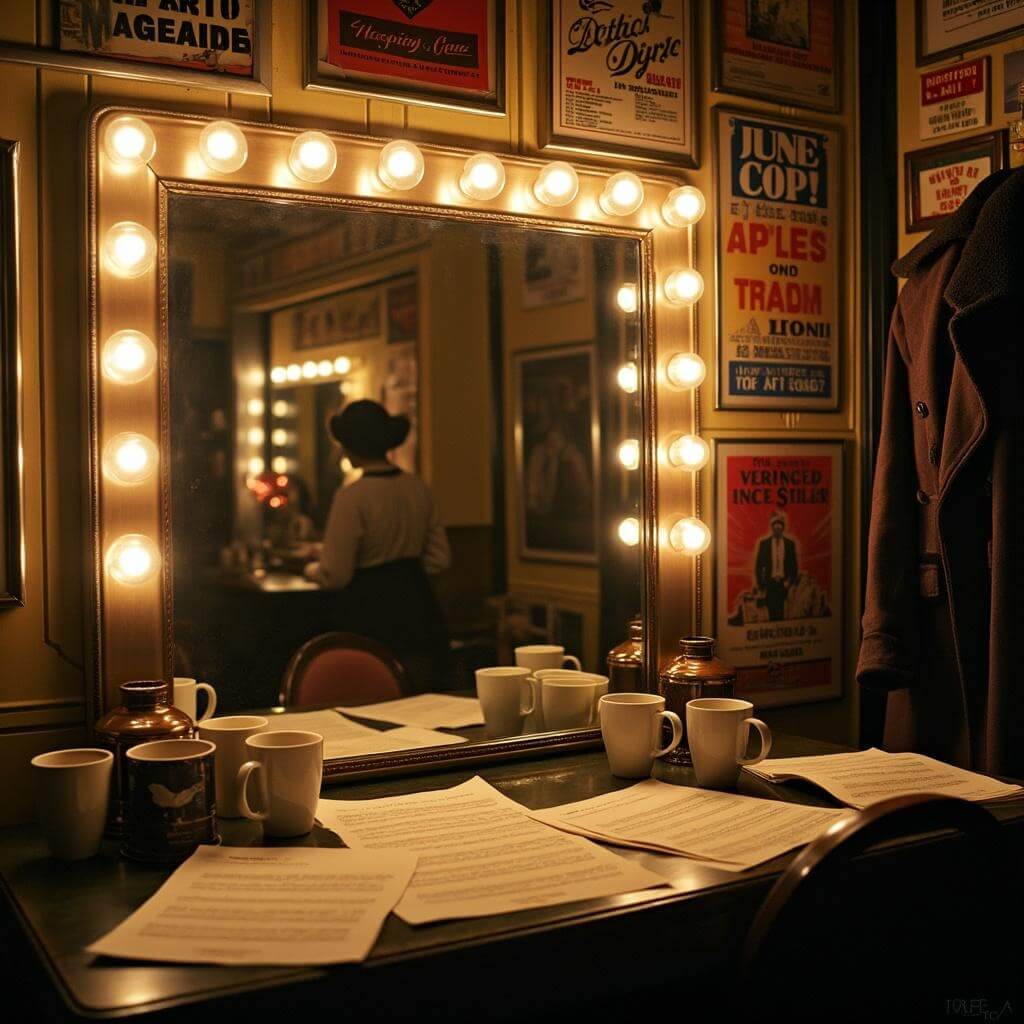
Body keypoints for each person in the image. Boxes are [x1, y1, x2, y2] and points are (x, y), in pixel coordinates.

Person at [306, 400, 452, 690]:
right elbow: (440, 558)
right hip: (418, 604)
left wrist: (311, 568)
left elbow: (335, 575)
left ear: (348, 445)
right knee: (421, 697)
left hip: (369, 611)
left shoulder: (352, 497)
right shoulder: (417, 487)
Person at [754, 511, 799, 621]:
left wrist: (789, 582)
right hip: (769, 583)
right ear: (772, 527)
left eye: (780, 526)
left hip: (784, 584)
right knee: (770, 611)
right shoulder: (764, 544)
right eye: (775, 526)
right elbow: (758, 566)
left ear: (783, 528)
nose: (778, 528)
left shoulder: (790, 544)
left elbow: (794, 565)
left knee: (783, 611)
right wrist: (761, 584)